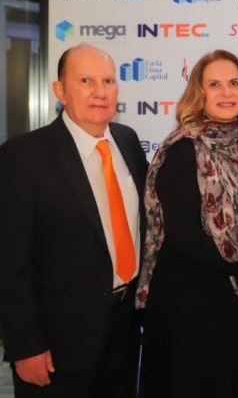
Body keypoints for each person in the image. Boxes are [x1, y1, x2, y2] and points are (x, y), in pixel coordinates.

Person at [0, 44, 147, 398]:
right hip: (56, 346)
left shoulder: (127, 141)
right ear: (60, 90)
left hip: (124, 332)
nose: (100, 91)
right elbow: (10, 261)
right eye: (85, 81)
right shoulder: (22, 157)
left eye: (108, 81)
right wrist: (25, 345)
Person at [135, 49, 238, 398]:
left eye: (234, 83)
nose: (226, 92)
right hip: (190, 311)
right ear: (199, 94)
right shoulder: (183, 149)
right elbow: (185, 236)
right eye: (214, 84)